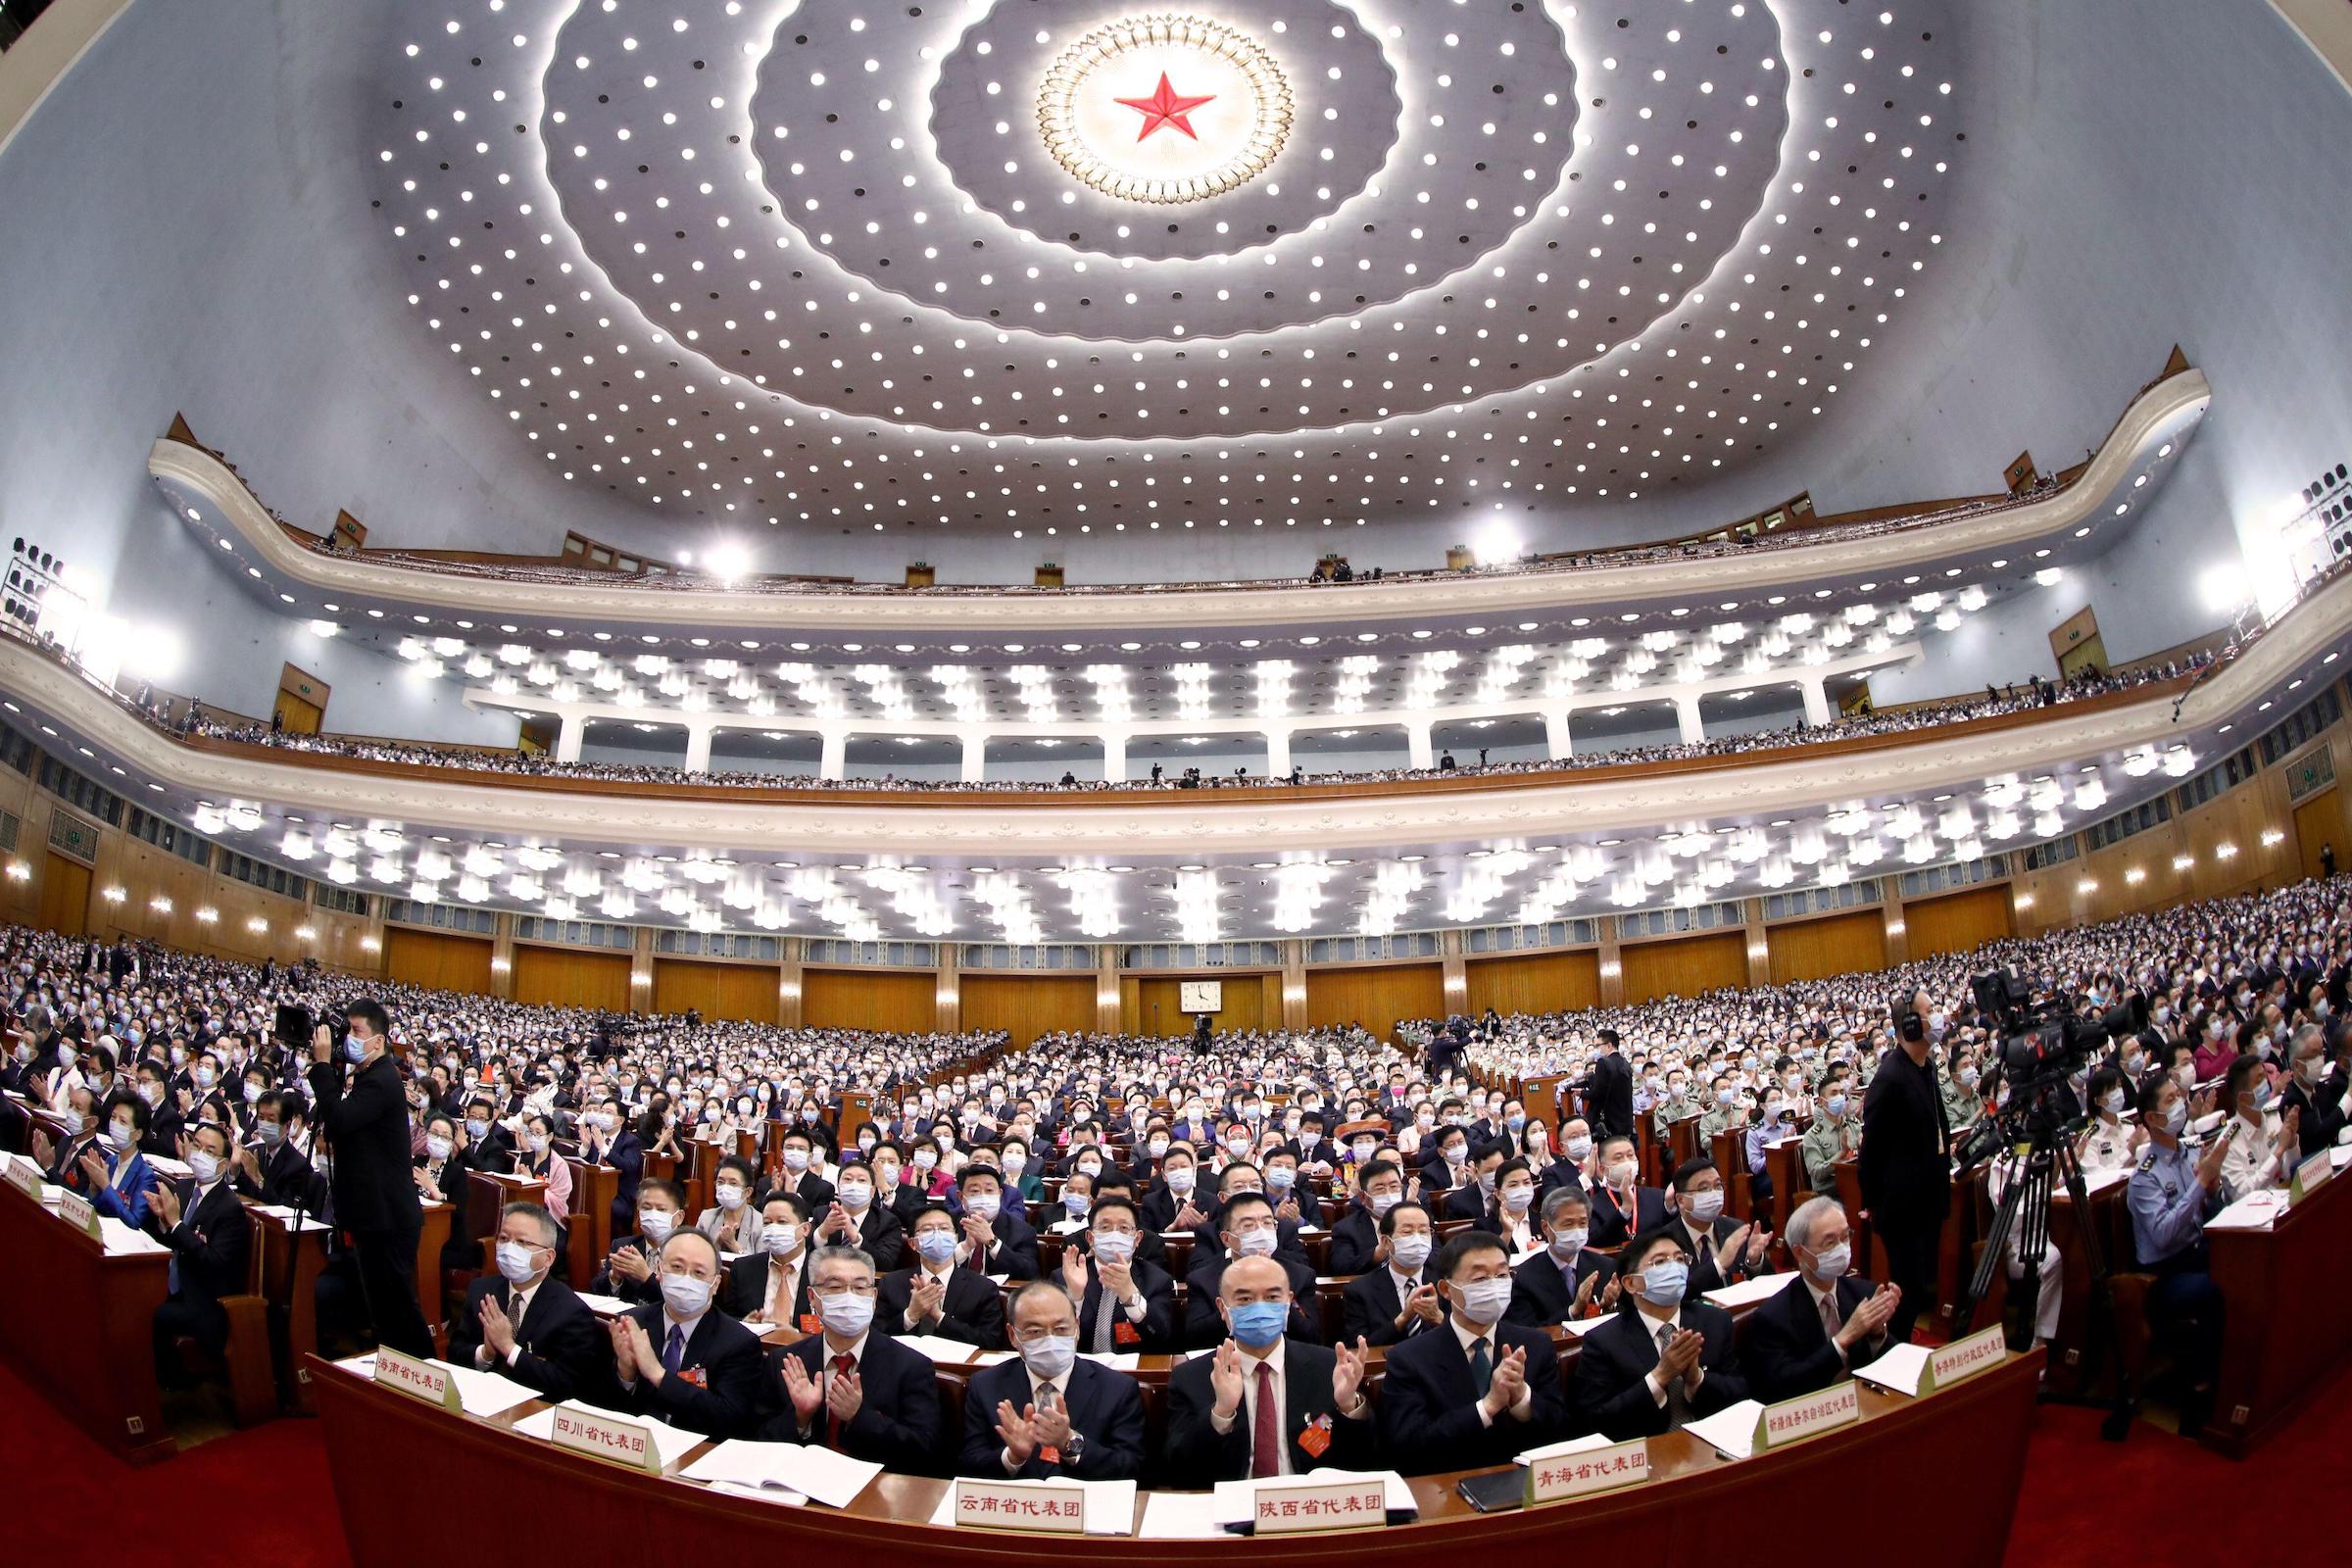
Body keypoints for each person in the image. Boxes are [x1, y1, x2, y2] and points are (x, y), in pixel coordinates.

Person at [1164, 1254, 1376, 1485]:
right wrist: (1221, 1413)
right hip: (1234, 1505)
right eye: (1245, 1299)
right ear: (1222, 1309)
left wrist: (1348, 1407)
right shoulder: (1192, 1377)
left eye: (1272, 1297)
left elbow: (1366, 1461)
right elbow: (1178, 1469)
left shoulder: (1328, 1368)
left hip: (1308, 1503)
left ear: (1289, 1304)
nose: (1260, 1307)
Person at [1376, 1231, 1567, 1472]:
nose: (1494, 1285)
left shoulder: (1535, 1345)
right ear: (1446, 1289)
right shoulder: (1408, 1358)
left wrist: (1521, 1398)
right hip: (1447, 1484)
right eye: (1479, 1279)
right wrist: (1487, 1407)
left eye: (1501, 1275)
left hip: (1524, 1482)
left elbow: (1560, 1427)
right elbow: (1408, 1444)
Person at [305, 1003, 433, 1358]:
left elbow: (340, 1120)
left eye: (356, 1032)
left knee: (399, 1310)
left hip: (389, 1217)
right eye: (347, 1030)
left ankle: (430, 1382)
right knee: (383, 1311)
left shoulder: (382, 1079)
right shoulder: (367, 1077)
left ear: (378, 1042)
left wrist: (320, 1066)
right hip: (372, 1214)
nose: (348, 1038)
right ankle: (398, 1380)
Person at [758, 1245, 940, 1469]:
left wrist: (858, 1416)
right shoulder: (786, 1361)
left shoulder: (911, 1366)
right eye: (835, 1286)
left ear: (873, 1297)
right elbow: (757, 1439)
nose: (848, 1296)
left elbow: (924, 1450)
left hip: (873, 1492)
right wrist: (800, 1418)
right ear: (812, 1297)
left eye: (860, 1287)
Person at [1568, 1227, 1752, 1439]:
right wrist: (1660, 1377)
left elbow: (1740, 1393)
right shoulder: (1603, 1341)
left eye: (1680, 1259)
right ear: (1630, 1283)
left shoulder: (1714, 1321)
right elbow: (1593, 1421)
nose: (1674, 1268)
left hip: (1713, 1444)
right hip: (1648, 1451)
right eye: (1660, 1262)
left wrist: (1696, 1378)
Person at [959, 1279, 1147, 1480]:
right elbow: (968, 1464)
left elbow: (1131, 1467)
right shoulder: (985, 1385)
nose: (1050, 1340)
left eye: (1061, 1329)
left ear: (1076, 1328)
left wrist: (1070, 1442)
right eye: (1035, 1331)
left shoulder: (1118, 1389)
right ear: (1012, 1335)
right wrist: (1012, 1457)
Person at [2127, 1072, 2229, 1435]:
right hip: (2164, 1274)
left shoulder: (2187, 1152)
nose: (2180, 1104)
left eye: (2177, 1096)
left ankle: (2240, 1375)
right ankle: (2201, 1394)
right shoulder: (2144, 1178)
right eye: (2170, 1100)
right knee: (2211, 1292)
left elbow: (2205, 1211)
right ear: (2152, 1120)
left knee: (2244, 1266)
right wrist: (2201, 1184)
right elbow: (2165, 1234)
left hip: (2197, 1250)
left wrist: (2212, 1189)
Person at [603, 1229, 770, 1438]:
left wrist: (658, 1375)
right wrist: (626, 1373)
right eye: (677, 1267)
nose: (686, 1279)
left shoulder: (739, 1343)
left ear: (715, 1285)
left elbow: (729, 1418)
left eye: (698, 1273)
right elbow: (601, 1404)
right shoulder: (631, 1323)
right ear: (659, 1271)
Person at [1860, 987, 1952, 1344]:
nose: (1939, 1016)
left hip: (1928, 1199)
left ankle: (1898, 1345)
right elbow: (1873, 1149)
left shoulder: (1925, 1067)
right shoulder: (1890, 1078)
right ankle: (1890, 1350)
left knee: (1919, 1285)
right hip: (1900, 1207)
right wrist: (1871, 1203)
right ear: (1911, 1025)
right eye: (1931, 1010)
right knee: (1907, 1288)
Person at [1742, 1198, 1901, 1401]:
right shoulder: (1773, 1317)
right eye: (1830, 1242)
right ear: (1799, 1252)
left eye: (1845, 1237)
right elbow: (1786, 1386)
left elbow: (1890, 1367)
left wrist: (1877, 1335)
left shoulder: (1864, 1293)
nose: (1842, 1248)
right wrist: (1844, 1339)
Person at [446, 1201, 603, 1402]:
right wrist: (485, 1353)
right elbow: (454, 1352)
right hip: (478, 1403)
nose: (509, 1248)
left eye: (522, 1242)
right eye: (504, 1238)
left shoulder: (572, 1311)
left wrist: (509, 1349)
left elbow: (567, 1384)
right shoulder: (481, 1290)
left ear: (548, 1257)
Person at [144, 1119, 252, 1386]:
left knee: (157, 1315)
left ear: (224, 1164)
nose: (200, 1153)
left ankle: (165, 1385)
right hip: (172, 1281)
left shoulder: (230, 1209)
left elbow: (213, 1263)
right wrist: (161, 1221)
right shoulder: (182, 1187)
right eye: (197, 1145)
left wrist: (177, 1225)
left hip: (204, 1299)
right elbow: (167, 1239)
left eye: (210, 1151)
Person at [1186, 1193, 1319, 1348]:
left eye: (1268, 1223)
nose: (1261, 1231)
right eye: (1248, 1226)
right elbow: (1194, 1338)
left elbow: (1311, 1335)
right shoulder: (1202, 1279)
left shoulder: (1301, 1275)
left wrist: (1277, 1294)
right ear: (1226, 1238)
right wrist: (1237, 1306)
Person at [1057, 1195, 1180, 1352]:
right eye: (1105, 1228)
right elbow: (1055, 1341)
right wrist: (1075, 1299)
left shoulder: (1157, 1280)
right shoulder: (1066, 1276)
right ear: (1090, 1238)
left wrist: (1131, 1297)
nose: (1114, 1235)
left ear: (1137, 1239)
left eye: (1124, 1228)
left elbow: (1161, 1339)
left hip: (1135, 1372)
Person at [877, 1202, 1007, 1348]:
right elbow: (876, 1337)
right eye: (927, 1229)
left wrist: (939, 1317)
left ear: (955, 1239)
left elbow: (989, 1342)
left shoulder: (983, 1288)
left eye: (945, 1228)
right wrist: (911, 1315)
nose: (937, 1234)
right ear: (913, 1243)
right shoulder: (890, 1284)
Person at [1664, 1157, 1774, 1303]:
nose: (1713, 1193)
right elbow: (1675, 1294)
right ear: (1681, 1200)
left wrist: (1752, 1261)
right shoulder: (1665, 1241)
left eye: (1717, 1185)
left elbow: (1767, 1283)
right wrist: (1719, 1264)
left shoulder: (1734, 1228)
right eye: (1703, 1188)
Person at [1506, 1186, 1618, 1327]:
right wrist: (1572, 1311)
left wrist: (1609, 1306)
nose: (1577, 1230)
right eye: (1568, 1224)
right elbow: (1527, 1331)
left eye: (1582, 1223)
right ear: (1546, 1227)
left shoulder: (1606, 1267)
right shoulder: (1524, 1277)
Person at [1342, 1199, 1444, 1346]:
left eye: (1423, 1231)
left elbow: (1468, 1333)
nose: (1417, 1239)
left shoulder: (1446, 1281)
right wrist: (1401, 1320)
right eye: (1407, 1232)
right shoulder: (1359, 1291)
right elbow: (1357, 1347)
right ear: (1386, 1242)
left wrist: (1438, 1318)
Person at [723, 1192, 816, 1326]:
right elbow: (726, 1319)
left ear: (805, 1229)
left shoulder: (822, 1272)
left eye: (782, 1222)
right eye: (767, 1223)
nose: (773, 1228)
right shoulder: (743, 1268)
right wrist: (743, 1325)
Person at [593, 1177, 684, 1306]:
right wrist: (614, 1277)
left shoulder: (687, 1254)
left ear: (679, 1217)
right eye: (647, 1208)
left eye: (661, 1210)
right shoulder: (623, 1246)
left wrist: (647, 1277)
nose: (653, 1214)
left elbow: (681, 1302)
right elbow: (596, 1291)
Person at [955, 1164, 1038, 1279]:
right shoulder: (946, 1224)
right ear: (960, 1196)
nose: (983, 1196)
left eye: (989, 1190)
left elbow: (1029, 1274)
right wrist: (965, 1248)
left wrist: (992, 1242)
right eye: (974, 1190)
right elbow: (930, 1266)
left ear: (1000, 1194)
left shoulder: (1022, 1231)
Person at [1588, 1134, 1668, 1248]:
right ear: (1603, 1169)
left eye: (1630, 1155)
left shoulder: (1657, 1196)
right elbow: (1594, 1243)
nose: (1626, 1162)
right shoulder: (1593, 1204)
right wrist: (1624, 1211)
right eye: (1618, 1158)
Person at [1328, 1156, 1403, 1275]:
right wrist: (1377, 1254)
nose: (1389, 1193)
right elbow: (1341, 1268)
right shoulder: (1345, 1229)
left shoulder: (1419, 1220)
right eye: (1380, 1188)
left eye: (1394, 1187)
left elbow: (1436, 1260)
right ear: (1363, 1197)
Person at [1587, 1029, 1633, 1140]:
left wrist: (1582, 1093)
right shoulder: (1625, 1062)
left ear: (1609, 1045)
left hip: (1609, 1120)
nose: (1597, 1049)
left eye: (1598, 1045)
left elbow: (1598, 1093)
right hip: (1625, 1120)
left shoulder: (1603, 1063)